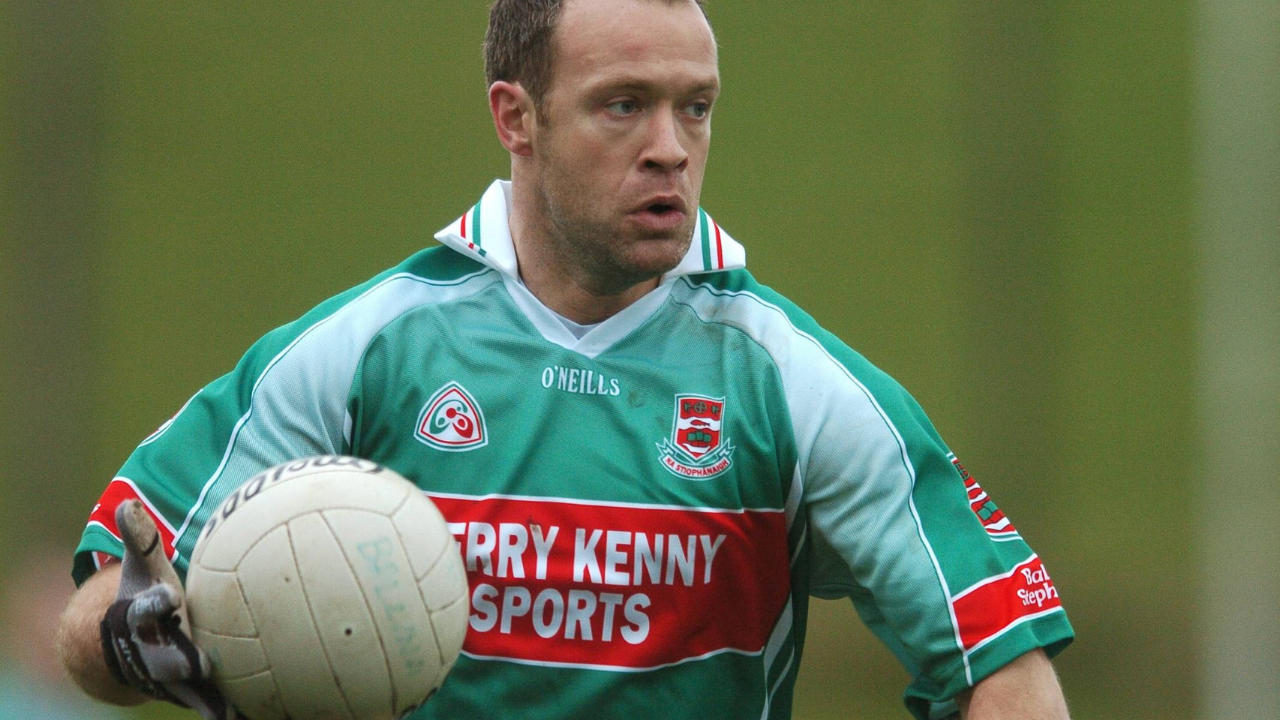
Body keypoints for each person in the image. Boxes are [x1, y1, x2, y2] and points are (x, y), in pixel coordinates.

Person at [56, 1, 1075, 718]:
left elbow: (1001, 667)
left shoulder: (794, 386)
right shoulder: (362, 352)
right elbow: (97, 610)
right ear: (516, 117)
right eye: (623, 104)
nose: (671, 147)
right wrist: (136, 639)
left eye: (695, 106)